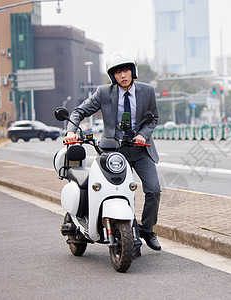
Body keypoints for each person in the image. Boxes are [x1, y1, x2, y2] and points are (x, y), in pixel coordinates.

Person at [64, 51, 161, 258]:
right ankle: (125, 233)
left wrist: (144, 135)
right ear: (112, 76)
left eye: (126, 70)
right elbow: (79, 111)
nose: (123, 75)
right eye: (118, 72)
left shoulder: (147, 91)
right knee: (115, 191)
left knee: (153, 190)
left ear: (133, 71)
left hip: (141, 150)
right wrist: (71, 131)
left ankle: (147, 229)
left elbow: (153, 118)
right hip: (114, 152)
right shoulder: (104, 93)